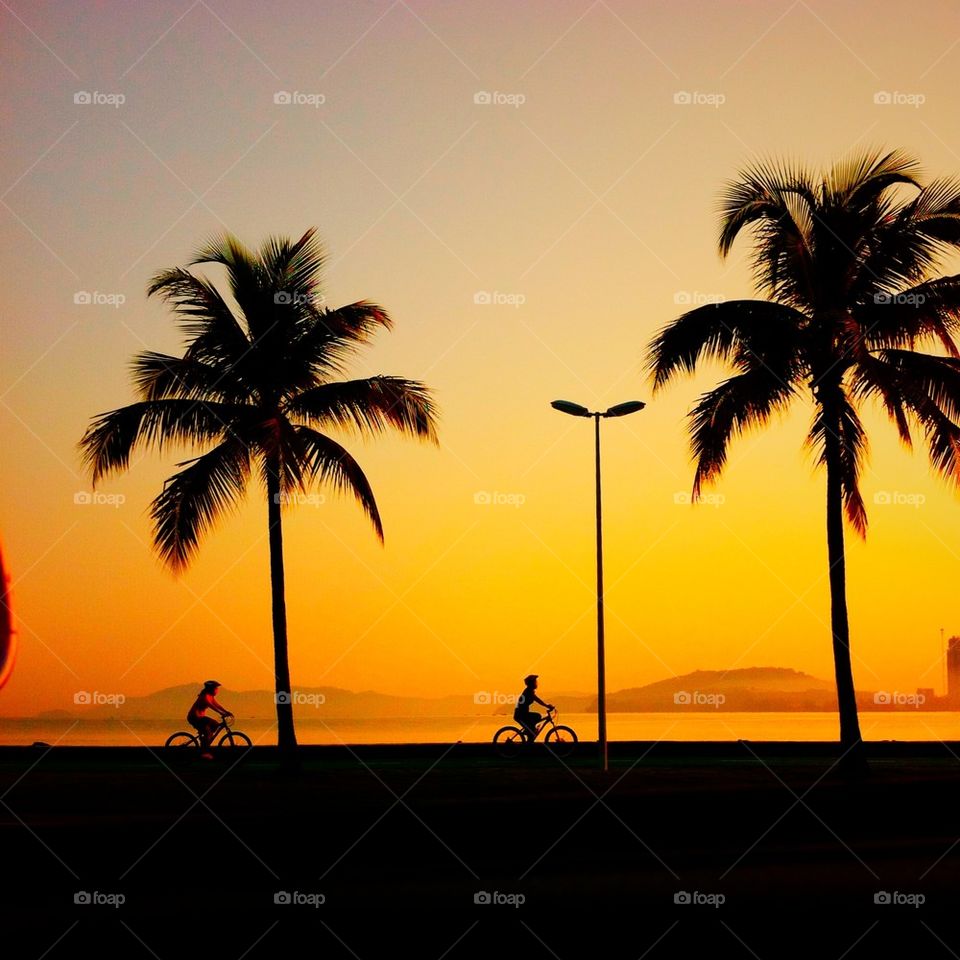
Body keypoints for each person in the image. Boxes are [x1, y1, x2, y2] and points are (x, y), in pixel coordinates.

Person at [188, 680, 233, 759]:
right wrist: (222, 713)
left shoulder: (210, 696)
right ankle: (204, 752)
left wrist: (226, 712)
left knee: (215, 724)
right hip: (194, 717)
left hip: (200, 718)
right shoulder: (205, 696)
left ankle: (204, 739)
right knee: (208, 732)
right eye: (216, 688)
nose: (217, 690)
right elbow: (212, 707)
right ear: (211, 689)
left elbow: (217, 705)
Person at [513, 674, 554, 742]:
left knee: (534, 721)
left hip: (522, 713)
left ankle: (530, 733)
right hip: (520, 714)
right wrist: (547, 705)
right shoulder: (528, 691)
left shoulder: (529, 691)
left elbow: (537, 699)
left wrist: (546, 705)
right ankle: (529, 732)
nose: (536, 683)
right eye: (535, 682)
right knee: (537, 716)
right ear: (531, 683)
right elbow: (537, 700)